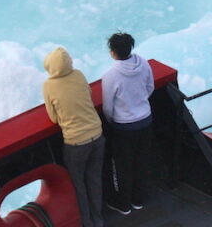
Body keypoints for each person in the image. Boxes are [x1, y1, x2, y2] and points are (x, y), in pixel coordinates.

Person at [43, 47, 105, 227]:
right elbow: (89, 95)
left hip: (76, 142)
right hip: (97, 135)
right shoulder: (78, 74)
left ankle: (87, 224)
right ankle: (99, 220)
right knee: (94, 180)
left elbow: (54, 117)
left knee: (78, 185)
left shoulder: (48, 86)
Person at [101, 32, 154, 216]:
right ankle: (138, 200)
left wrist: (115, 119)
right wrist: (139, 105)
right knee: (142, 160)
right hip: (145, 120)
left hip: (123, 127)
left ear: (113, 52)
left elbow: (107, 107)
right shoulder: (144, 63)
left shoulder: (110, 75)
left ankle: (124, 205)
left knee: (122, 165)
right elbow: (150, 88)